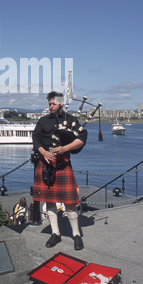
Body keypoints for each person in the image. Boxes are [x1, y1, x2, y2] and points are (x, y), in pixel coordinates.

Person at [32, 91, 87, 250]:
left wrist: (65, 148)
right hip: (46, 164)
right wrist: (43, 152)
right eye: (49, 104)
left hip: (63, 163)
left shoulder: (71, 120)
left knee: (70, 203)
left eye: (53, 104)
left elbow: (82, 138)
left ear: (61, 104)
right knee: (49, 201)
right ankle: (55, 233)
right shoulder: (43, 121)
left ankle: (76, 235)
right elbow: (35, 138)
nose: (51, 107)